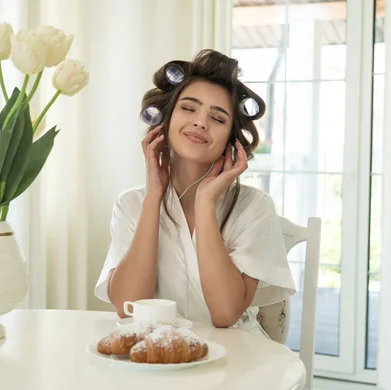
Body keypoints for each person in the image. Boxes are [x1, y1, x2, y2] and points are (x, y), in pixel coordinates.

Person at [94, 49, 295, 336]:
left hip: (236, 359)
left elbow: (225, 314)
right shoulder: (132, 204)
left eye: (218, 118)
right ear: (164, 119)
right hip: (158, 357)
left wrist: (205, 202)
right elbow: (128, 305)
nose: (201, 122)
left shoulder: (254, 207)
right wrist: (153, 198)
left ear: (231, 140)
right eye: (189, 108)